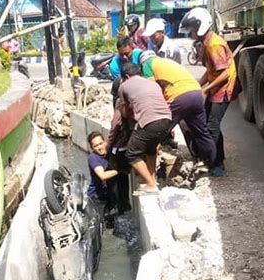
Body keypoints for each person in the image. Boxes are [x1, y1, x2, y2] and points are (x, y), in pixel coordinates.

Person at [179, 7, 239, 177]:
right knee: (207, 124)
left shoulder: (214, 44)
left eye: (191, 29)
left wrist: (206, 89)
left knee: (212, 126)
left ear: (200, 26)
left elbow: (225, 74)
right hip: (216, 88)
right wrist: (197, 85)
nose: (190, 33)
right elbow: (210, 71)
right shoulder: (206, 42)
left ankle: (216, 164)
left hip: (224, 89)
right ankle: (212, 158)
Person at [139, 51, 216, 167]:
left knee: (159, 129)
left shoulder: (147, 64)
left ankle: (149, 163)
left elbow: (152, 89)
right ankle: (212, 164)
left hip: (179, 97)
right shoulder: (167, 62)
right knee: (202, 132)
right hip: (196, 93)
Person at [119, 63, 172, 194]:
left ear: (126, 76)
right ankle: (152, 180)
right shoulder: (153, 83)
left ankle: (150, 184)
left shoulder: (124, 86)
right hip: (167, 120)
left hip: (149, 121)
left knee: (131, 153)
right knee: (150, 149)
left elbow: (125, 113)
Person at [87, 131, 118, 205]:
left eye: (101, 144)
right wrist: (120, 169)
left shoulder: (111, 153)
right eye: (96, 146)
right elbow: (103, 176)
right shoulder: (93, 157)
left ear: (105, 142)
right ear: (92, 148)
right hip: (97, 197)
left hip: (110, 192)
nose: (100, 147)